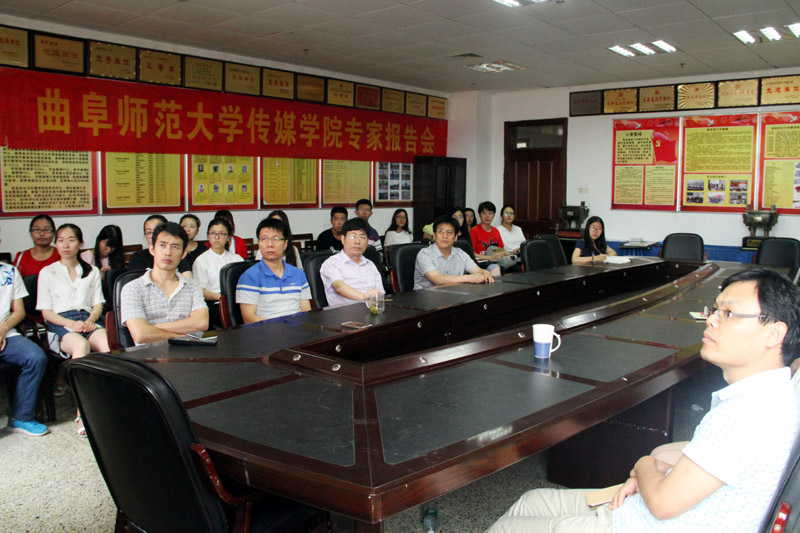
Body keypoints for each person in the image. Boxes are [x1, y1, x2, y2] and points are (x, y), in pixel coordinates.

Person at [487, 268, 800, 533]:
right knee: (530, 502)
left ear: (774, 334)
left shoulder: (746, 416)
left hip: (641, 525)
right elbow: (706, 459)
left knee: (509, 528)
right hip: (639, 510)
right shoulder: (773, 394)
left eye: (728, 314)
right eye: (715, 310)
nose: (712, 320)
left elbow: (662, 503)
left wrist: (645, 465)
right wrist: (658, 467)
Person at [37, 224, 109, 436]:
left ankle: (110, 406)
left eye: (71, 240)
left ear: (80, 243)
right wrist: (70, 324)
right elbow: (46, 313)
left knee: (109, 348)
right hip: (60, 323)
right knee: (81, 345)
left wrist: (91, 320)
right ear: (56, 244)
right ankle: (82, 414)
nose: (66, 245)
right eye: (61, 240)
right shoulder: (47, 272)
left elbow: (98, 304)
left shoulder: (91, 271)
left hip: (88, 319)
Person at [120, 222, 208, 345]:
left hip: (189, 353)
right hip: (149, 355)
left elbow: (202, 323)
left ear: (183, 253)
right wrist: (183, 336)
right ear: (152, 249)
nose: (168, 252)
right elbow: (140, 334)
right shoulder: (133, 288)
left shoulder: (193, 286)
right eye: (162, 245)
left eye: (175, 247)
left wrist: (154, 327)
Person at [0, 260, 49, 436]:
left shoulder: (10, 272)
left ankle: (21, 417)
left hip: (6, 333)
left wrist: (3, 328)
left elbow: (19, 311)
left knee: (36, 358)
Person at [236, 218, 311, 322]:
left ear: (285, 244)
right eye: (264, 239)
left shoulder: (298, 274)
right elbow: (249, 318)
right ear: (259, 243)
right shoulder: (249, 277)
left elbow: (306, 310)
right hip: (266, 330)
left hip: (297, 328)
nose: (270, 244)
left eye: (276, 238)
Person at [414, 215, 494, 290]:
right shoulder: (424, 254)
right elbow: (438, 280)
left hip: (454, 296)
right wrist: (469, 278)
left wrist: (486, 273)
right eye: (441, 231)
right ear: (434, 235)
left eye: (449, 232)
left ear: (455, 237)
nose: (445, 236)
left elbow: (479, 271)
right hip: (426, 297)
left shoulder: (460, 253)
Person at [320, 217, 384, 308]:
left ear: (367, 241)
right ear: (343, 239)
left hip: (372, 311)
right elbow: (339, 286)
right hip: (343, 314)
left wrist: (376, 297)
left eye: (362, 237)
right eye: (352, 236)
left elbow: (380, 293)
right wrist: (365, 297)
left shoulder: (370, 265)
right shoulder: (331, 263)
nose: (357, 241)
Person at [192, 217, 243, 328]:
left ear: (229, 237)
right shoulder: (201, 260)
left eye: (221, 234)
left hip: (238, 301)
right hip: (216, 304)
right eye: (213, 233)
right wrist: (223, 297)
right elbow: (201, 291)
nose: (217, 237)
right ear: (208, 236)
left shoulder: (237, 259)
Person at [127, 214, 193, 276]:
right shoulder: (138, 257)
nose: (153, 235)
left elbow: (188, 278)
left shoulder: (177, 258)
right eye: (149, 232)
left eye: (157, 231)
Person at [469, 201, 508, 276]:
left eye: (490, 213)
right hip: (480, 263)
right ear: (479, 215)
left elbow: (501, 249)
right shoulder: (474, 231)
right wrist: (489, 257)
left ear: (494, 215)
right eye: (484, 213)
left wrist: (502, 254)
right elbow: (471, 254)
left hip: (495, 260)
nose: (487, 216)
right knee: (496, 268)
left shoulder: (496, 231)